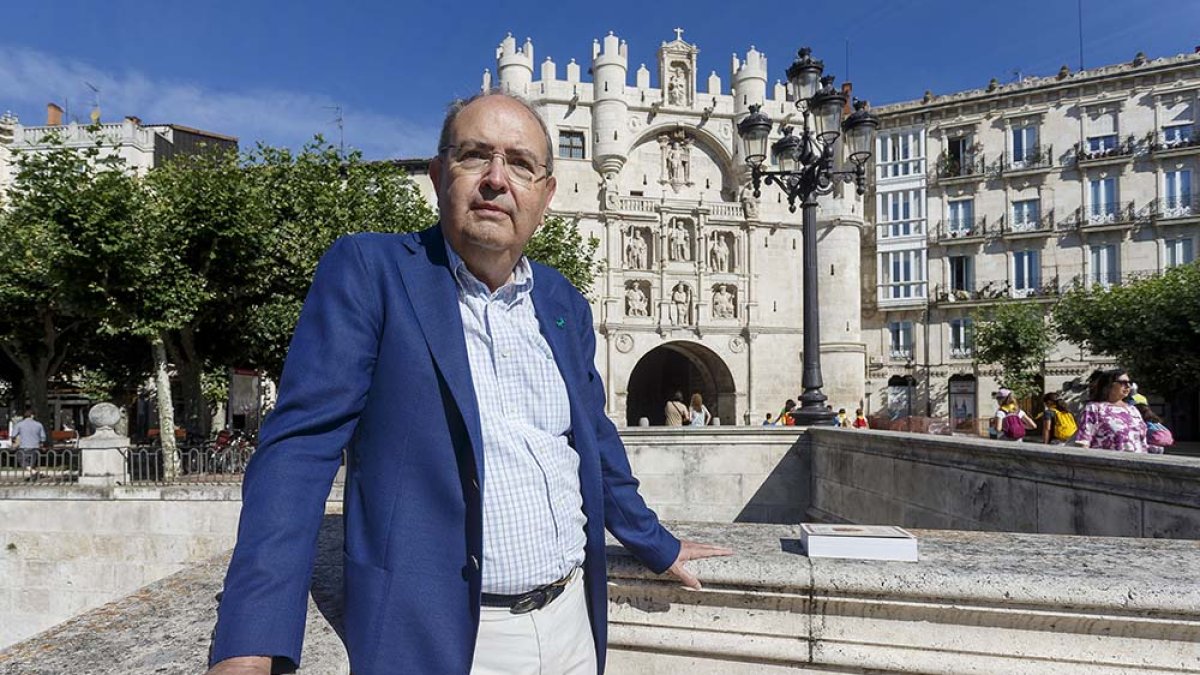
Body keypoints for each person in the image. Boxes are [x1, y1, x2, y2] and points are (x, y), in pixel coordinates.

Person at [207, 92, 731, 675]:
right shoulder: (371, 272)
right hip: (444, 638)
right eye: (475, 156)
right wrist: (252, 640)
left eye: (521, 164)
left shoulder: (563, 303)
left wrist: (657, 542)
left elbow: (594, 442)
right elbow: (297, 454)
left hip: (571, 626)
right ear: (438, 175)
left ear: (547, 193)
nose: (497, 180)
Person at [1075, 368, 1148, 453]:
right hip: (1108, 463)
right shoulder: (1094, 408)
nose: (1128, 386)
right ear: (1108, 385)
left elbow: (1143, 442)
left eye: (1130, 383)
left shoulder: (1133, 409)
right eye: (1123, 383)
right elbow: (1083, 441)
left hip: (1136, 463)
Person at [11, 409, 46, 475]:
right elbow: (43, 437)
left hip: (24, 446)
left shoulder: (19, 424)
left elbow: (13, 435)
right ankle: (34, 473)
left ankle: (33, 472)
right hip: (35, 446)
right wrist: (42, 444)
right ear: (32, 416)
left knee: (21, 460)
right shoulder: (39, 425)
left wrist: (14, 443)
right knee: (32, 462)